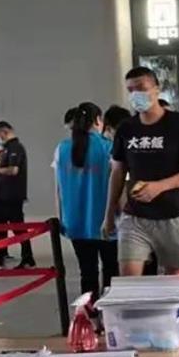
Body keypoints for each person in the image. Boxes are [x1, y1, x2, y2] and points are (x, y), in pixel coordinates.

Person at [103, 68, 179, 275]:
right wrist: (109, 214)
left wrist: (160, 186)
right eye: (130, 90)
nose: (136, 94)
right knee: (129, 281)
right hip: (135, 216)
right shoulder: (126, 129)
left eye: (141, 88)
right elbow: (117, 172)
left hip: (173, 215)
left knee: (176, 282)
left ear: (156, 89)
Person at [54, 102, 116, 296]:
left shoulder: (62, 148)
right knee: (111, 271)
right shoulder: (109, 147)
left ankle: (88, 312)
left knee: (87, 272)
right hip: (106, 221)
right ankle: (107, 311)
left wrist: (61, 217)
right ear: (98, 120)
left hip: (75, 222)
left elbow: (58, 188)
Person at [0, 120, 35, 268]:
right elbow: (1, 167)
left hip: (13, 195)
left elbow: (13, 170)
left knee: (18, 228)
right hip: (3, 194)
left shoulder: (16, 148)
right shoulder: (5, 149)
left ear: (4, 132)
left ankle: (27, 258)